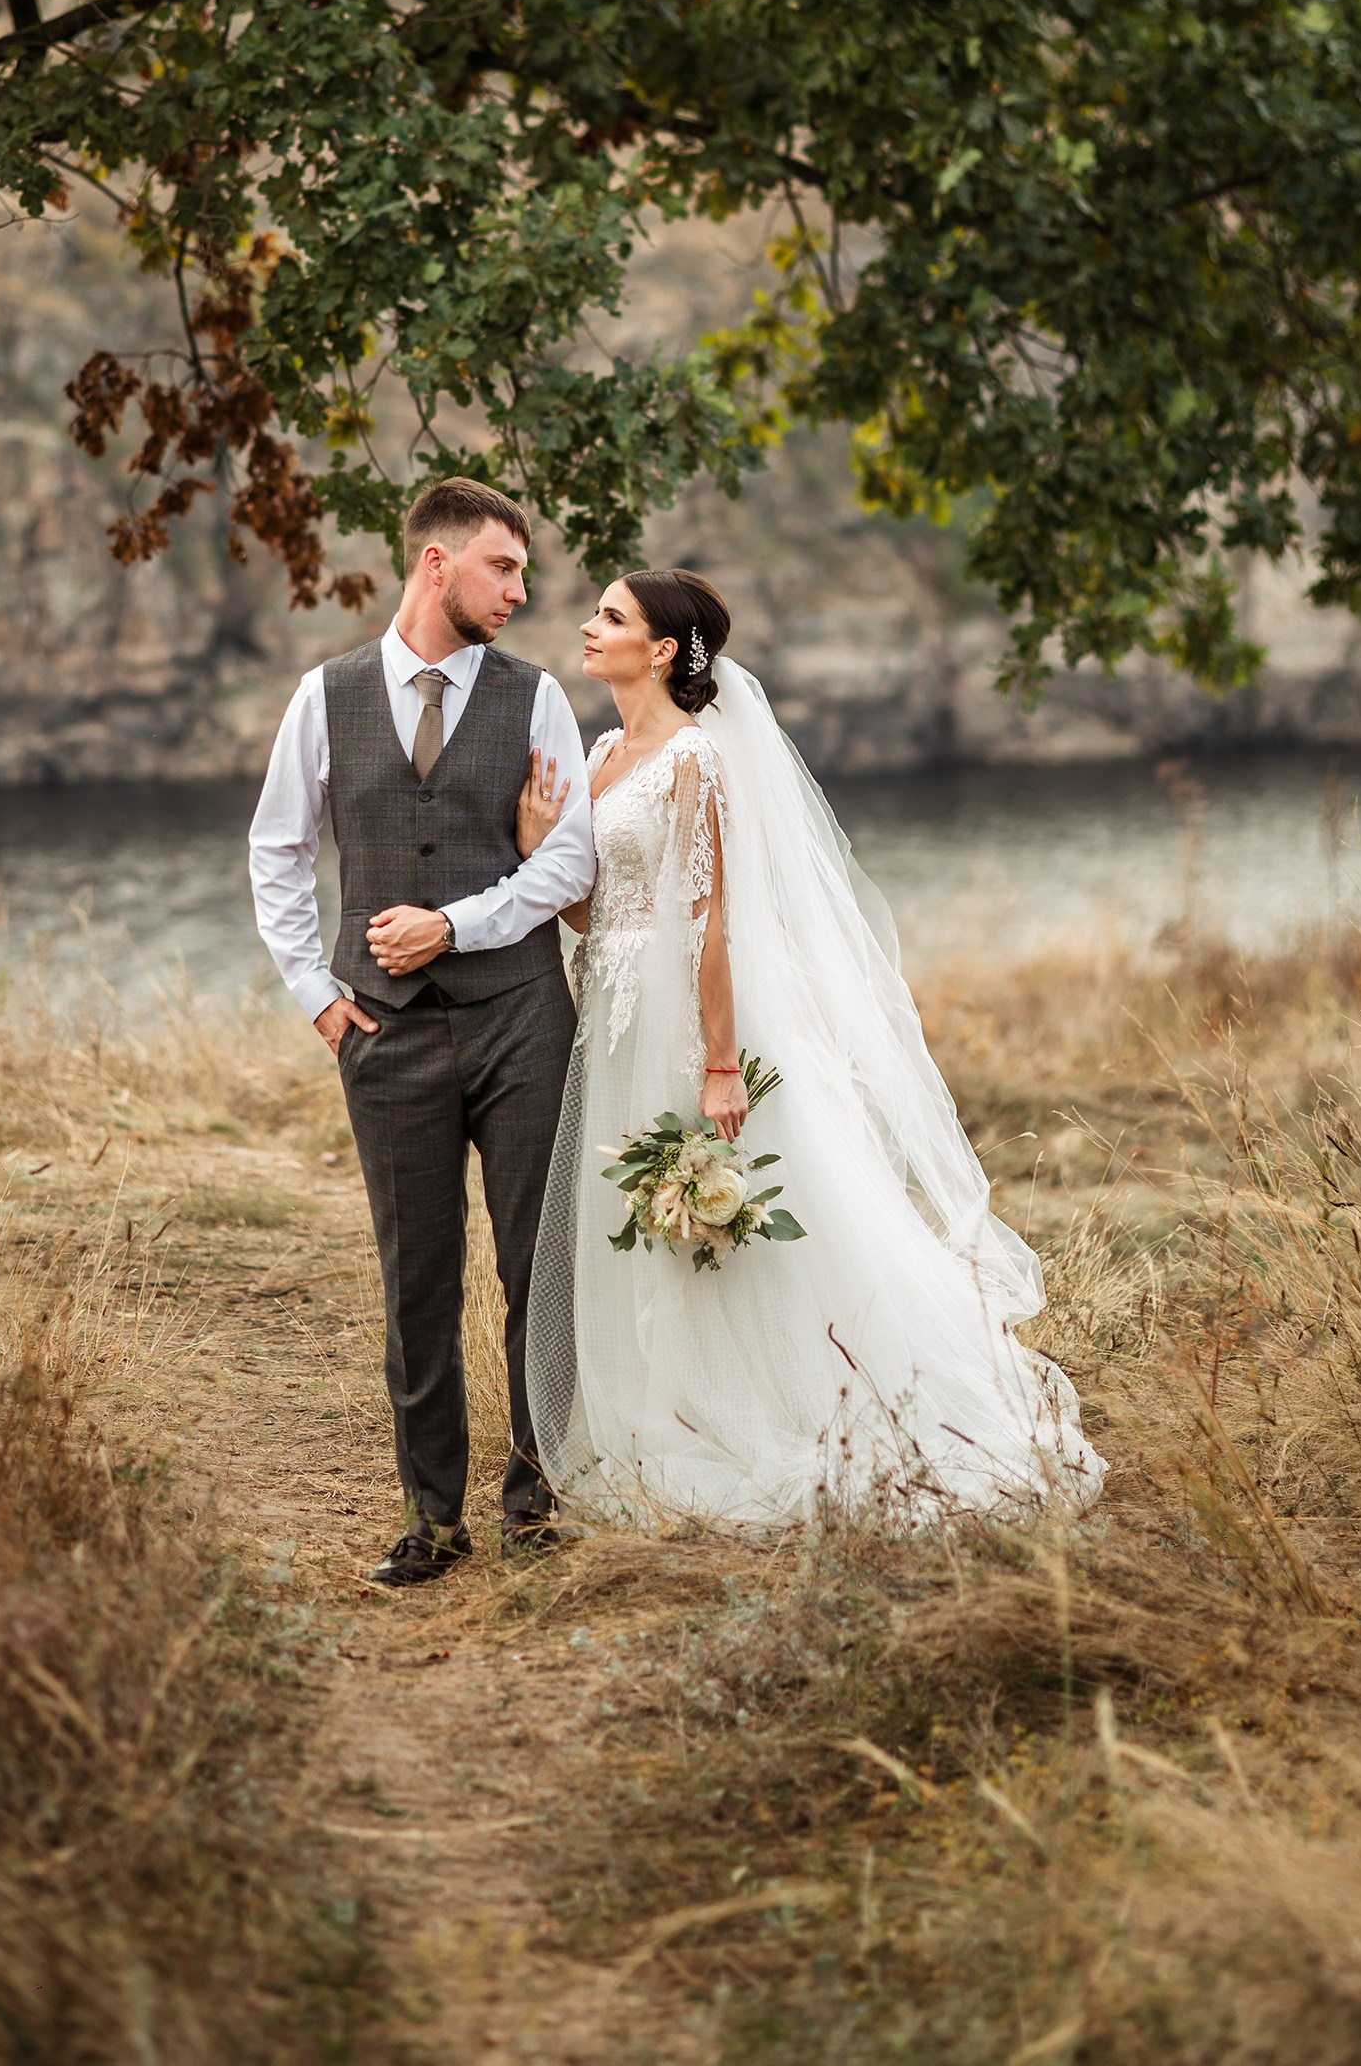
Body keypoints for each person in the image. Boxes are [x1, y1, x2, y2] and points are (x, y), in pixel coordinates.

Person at [521, 569, 1102, 1526]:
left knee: (713, 1217)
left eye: (611, 617)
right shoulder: (606, 752)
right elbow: (599, 911)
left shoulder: (695, 763)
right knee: (634, 1220)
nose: (588, 627)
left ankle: (770, 1405)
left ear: (661, 649)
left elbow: (710, 925)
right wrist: (542, 840)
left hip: (677, 1017)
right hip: (611, 1013)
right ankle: (658, 1414)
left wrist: (717, 1063)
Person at [248, 478, 594, 1585]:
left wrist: (451, 925)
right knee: (418, 1275)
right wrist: (314, 990)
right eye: (502, 567)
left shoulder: (535, 699)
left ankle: (537, 1501)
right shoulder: (328, 694)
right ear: (435, 564)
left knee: (537, 1263)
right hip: (383, 1036)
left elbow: (569, 860)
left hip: (521, 1019)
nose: (520, 590)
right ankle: (430, 1517)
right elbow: (278, 851)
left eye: (524, 572)